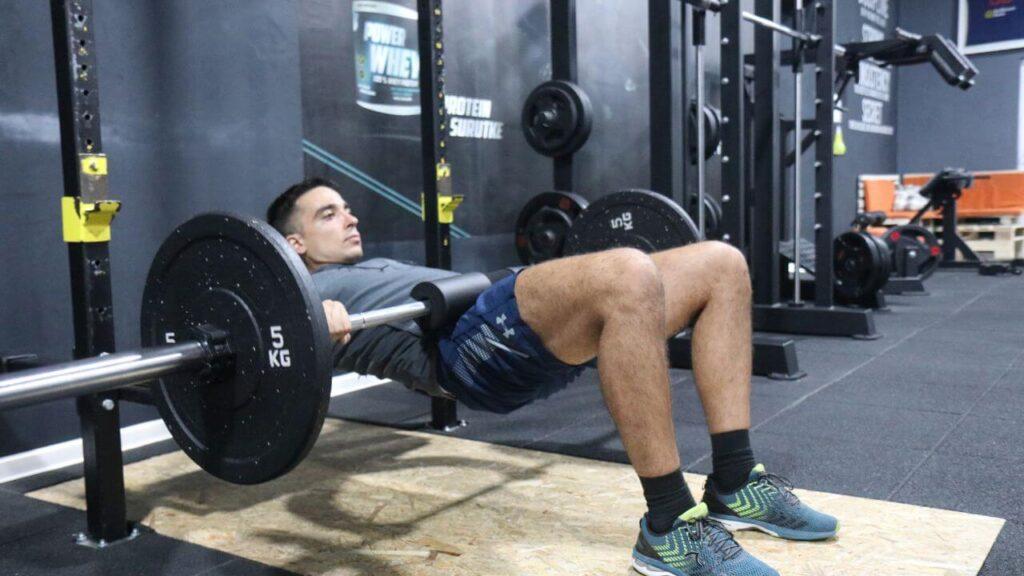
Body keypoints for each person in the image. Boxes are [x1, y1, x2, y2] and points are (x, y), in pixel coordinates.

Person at [267, 178, 838, 576]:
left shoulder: (366, 267)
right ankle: (670, 525)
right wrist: (310, 325)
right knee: (626, 271)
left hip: (505, 311)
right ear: (293, 246)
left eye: (345, 208)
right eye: (327, 214)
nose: (349, 217)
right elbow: (265, 358)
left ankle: (735, 480)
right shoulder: (300, 295)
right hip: (466, 347)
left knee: (721, 263)